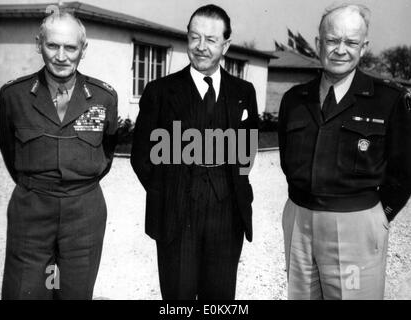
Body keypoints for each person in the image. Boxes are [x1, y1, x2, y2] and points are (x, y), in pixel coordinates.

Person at [278, 3, 411, 300]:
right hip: (300, 220)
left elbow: (403, 172)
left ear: (363, 48)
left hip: (356, 222)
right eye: (332, 40)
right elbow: (288, 161)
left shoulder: (387, 100)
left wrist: (378, 217)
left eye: (350, 42)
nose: (340, 49)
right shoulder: (294, 99)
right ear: (318, 44)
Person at [131, 4, 258, 300]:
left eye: (211, 40)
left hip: (227, 220)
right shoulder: (160, 92)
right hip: (177, 220)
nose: (201, 47)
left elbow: (246, 153)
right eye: (194, 37)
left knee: (220, 302)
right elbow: (141, 157)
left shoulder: (244, 92)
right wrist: (171, 191)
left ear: (226, 44)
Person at [0, 11, 118, 299]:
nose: (61, 56)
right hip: (32, 210)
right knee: (24, 292)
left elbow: (108, 150)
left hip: (84, 213)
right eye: (52, 46)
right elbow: (9, 148)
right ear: (39, 44)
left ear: (83, 50)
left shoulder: (104, 97)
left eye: (71, 47)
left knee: (73, 292)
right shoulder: (13, 96)